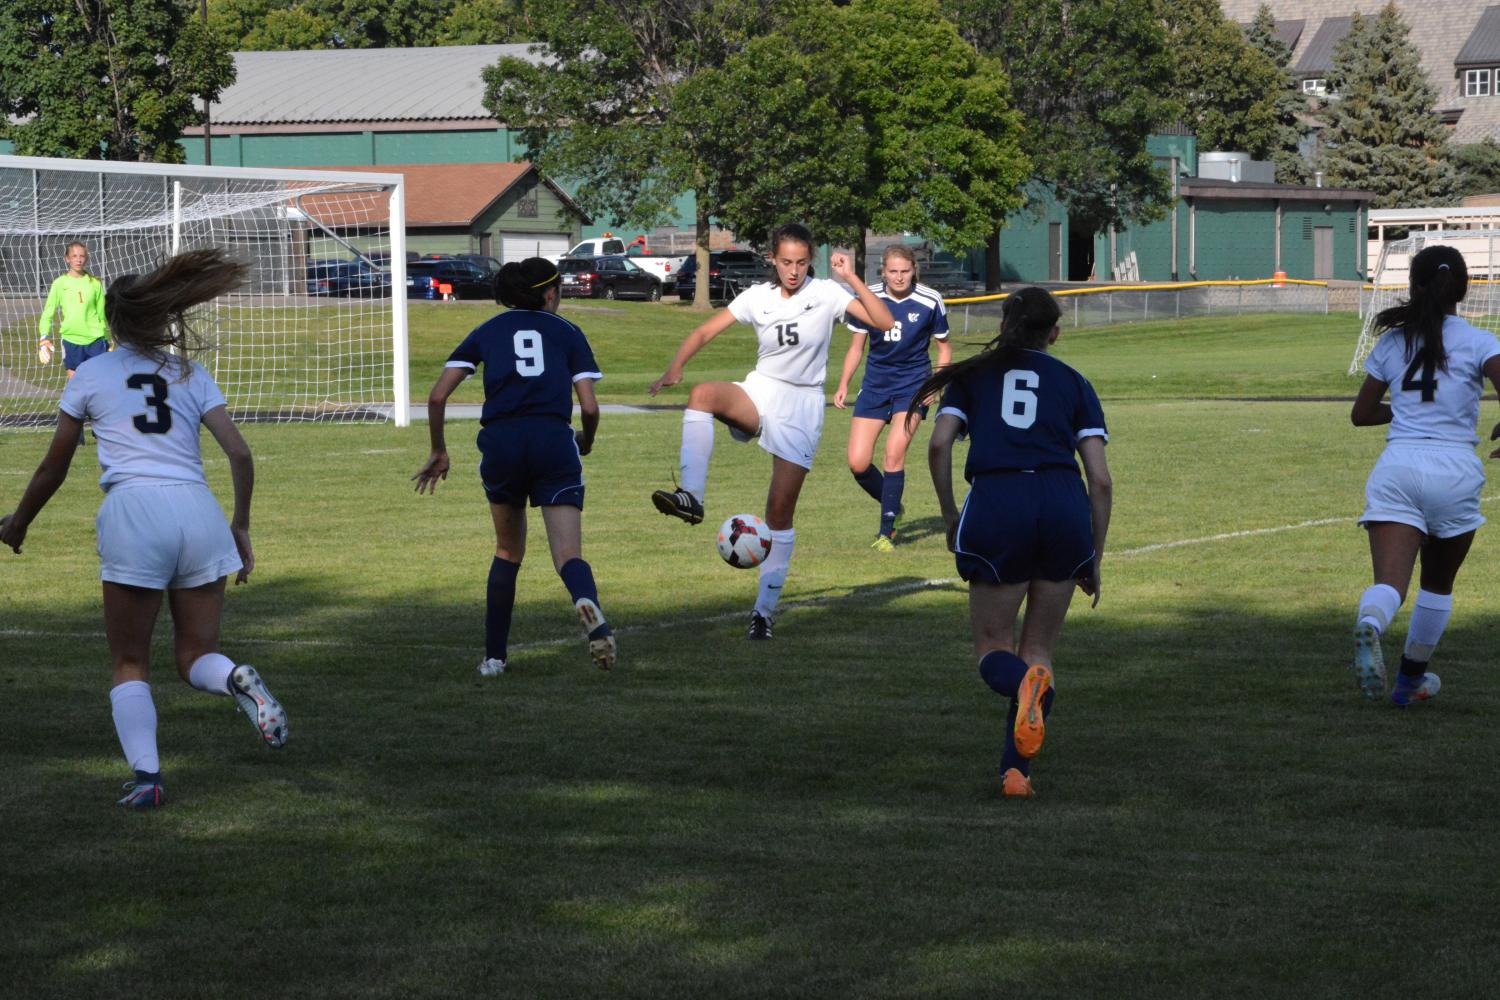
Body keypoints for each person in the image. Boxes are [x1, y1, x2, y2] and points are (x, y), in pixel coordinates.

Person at [0, 248, 285, 810]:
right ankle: (236, 681)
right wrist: (241, 525)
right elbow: (240, 453)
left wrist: (18, 523)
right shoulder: (189, 372)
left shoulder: (91, 373)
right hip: (198, 512)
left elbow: (54, 466)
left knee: (130, 662)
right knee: (196, 655)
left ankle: (149, 779)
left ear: (111, 319)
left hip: (134, 514)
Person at [648, 223, 895, 640]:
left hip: (802, 406)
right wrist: (676, 365)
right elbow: (706, 329)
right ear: (772, 259)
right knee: (703, 394)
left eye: (801, 262)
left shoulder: (827, 294)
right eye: (785, 262)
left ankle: (763, 614)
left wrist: (850, 278)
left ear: (810, 260)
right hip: (762, 390)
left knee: (778, 514)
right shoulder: (757, 298)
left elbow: (883, 320)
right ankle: (692, 497)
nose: (793, 271)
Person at [921, 286, 1111, 798]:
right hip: (1062, 502)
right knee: (1039, 651)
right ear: (1054, 332)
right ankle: (1015, 773)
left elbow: (939, 444)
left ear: (1004, 324)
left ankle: (1020, 687)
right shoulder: (1074, 381)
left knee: (992, 649)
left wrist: (948, 511)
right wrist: (1094, 551)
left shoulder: (974, 376)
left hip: (1000, 500)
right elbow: (1101, 479)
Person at [413, 256, 615, 674]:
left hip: (502, 444)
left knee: (507, 551)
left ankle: (494, 658)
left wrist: (439, 450)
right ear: (550, 293)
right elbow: (590, 407)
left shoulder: (487, 330)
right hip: (552, 442)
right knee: (568, 555)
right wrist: (586, 441)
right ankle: (587, 606)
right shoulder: (567, 331)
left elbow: (436, 397)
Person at [1349, 244, 1500, 705]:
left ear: (1413, 287)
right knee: (1437, 584)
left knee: (1390, 584)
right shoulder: (1480, 341)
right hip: (1454, 469)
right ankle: (1409, 681)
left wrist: (1407, 413)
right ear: (1464, 290)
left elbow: (1362, 413)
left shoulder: (1393, 342)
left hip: (1399, 467)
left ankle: (1371, 624)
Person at [833, 244, 952, 550]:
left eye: (905, 271)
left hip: (913, 387)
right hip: (875, 387)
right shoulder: (868, 297)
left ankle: (886, 531)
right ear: (883, 271)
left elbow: (944, 348)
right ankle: (894, 504)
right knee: (858, 463)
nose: (899, 277)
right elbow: (857, 347)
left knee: (893, 454)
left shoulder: (930, 300)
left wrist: (936, 385)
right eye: (893, 271)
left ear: (914, 270)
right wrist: (844, 383)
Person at [38, 242, 110, 378]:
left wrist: (105, 339)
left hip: (95, 340)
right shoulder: (59, 284)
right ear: (67, 258)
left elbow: (101, 315)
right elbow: (48, 313)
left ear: (86, 258)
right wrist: (43, 338)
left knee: (99, 384)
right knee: (75, 386)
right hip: (71, 340)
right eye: (74, 256)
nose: (78, 259)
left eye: (82, 256)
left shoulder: (95, 283)